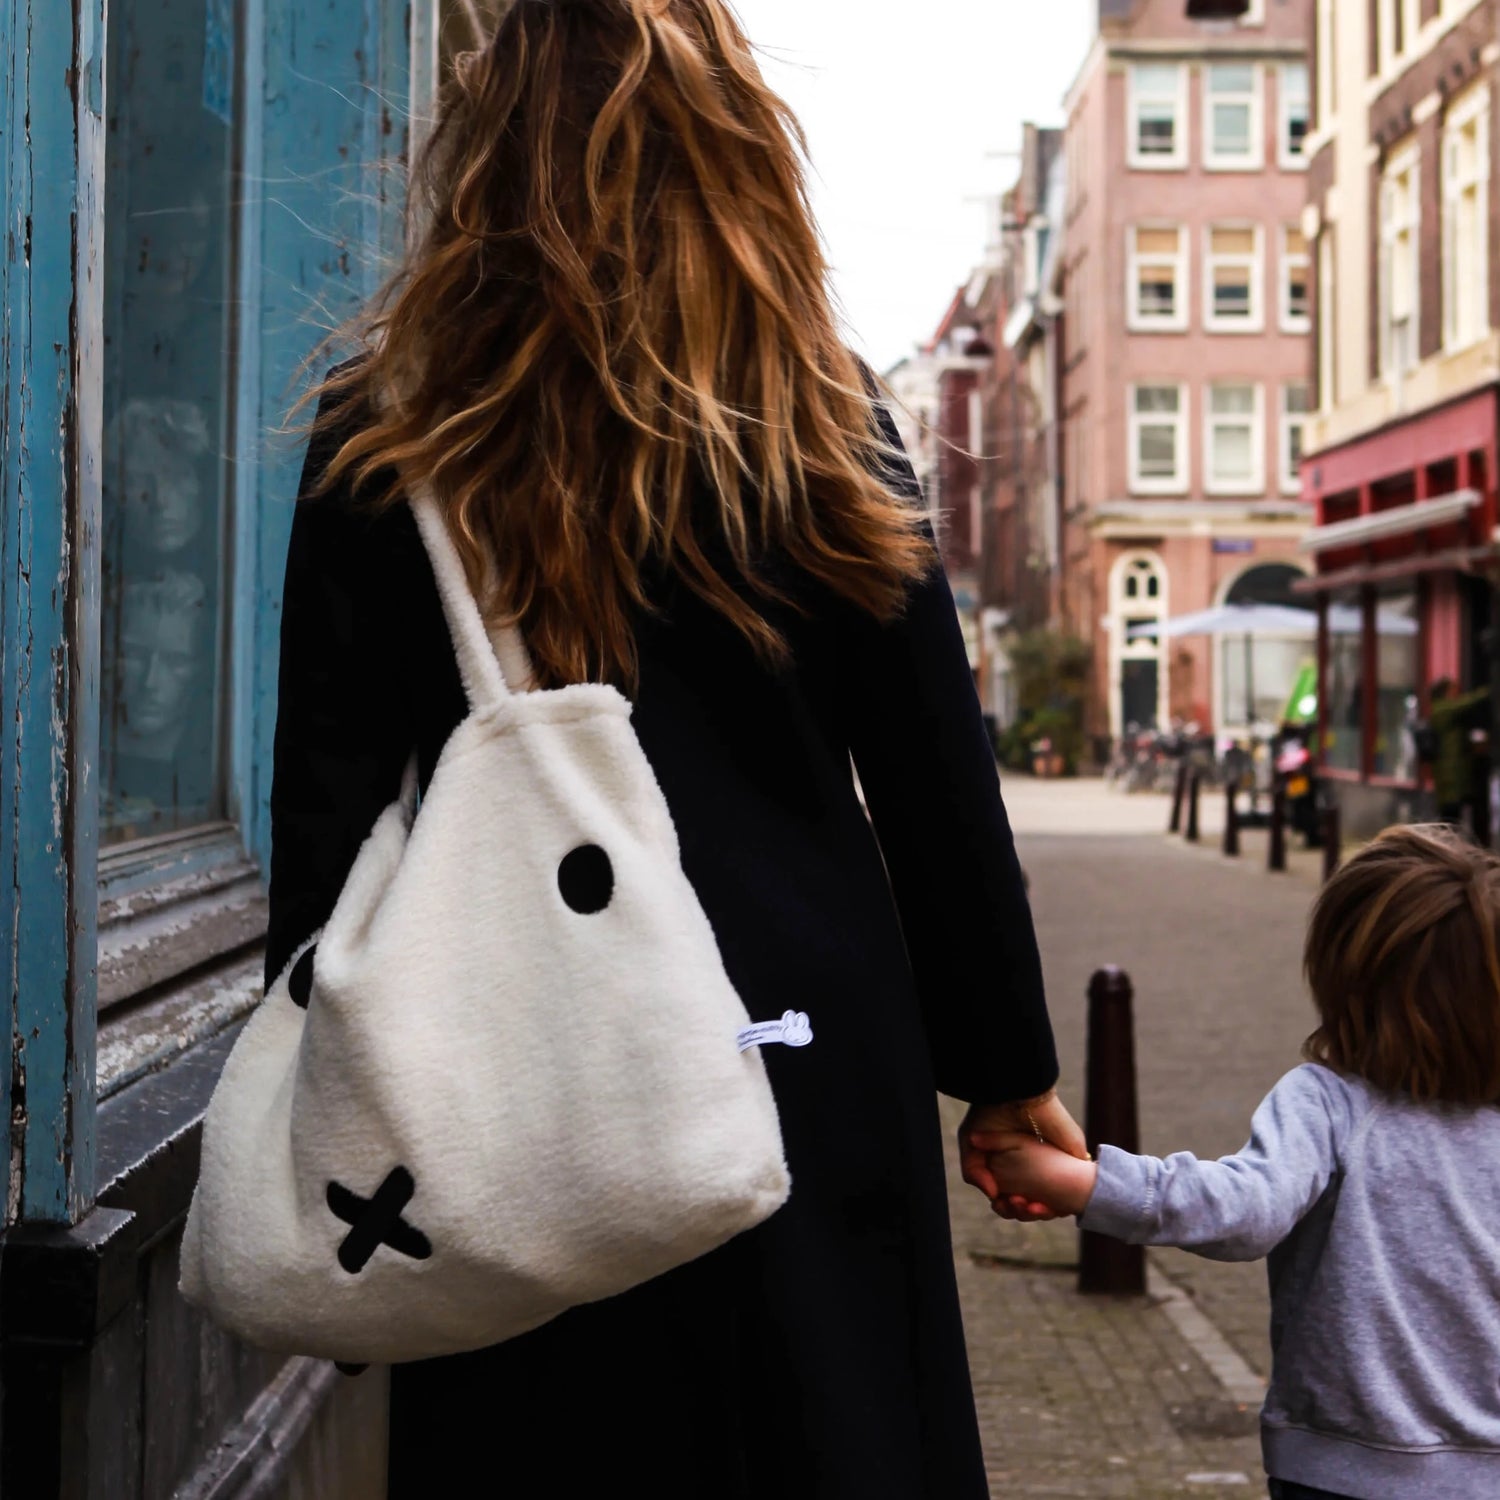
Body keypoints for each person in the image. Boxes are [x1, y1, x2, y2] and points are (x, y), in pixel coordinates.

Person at [268, 2, 1083, 1494]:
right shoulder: (819, 420)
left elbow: (326, 809)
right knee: (827, 1432)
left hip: (518, 1068)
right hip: (800, 1057)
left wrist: (343, 1070)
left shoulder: (381, 431)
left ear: (482, 158)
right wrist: (1007, 1071)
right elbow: (933, 782)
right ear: (734, 157)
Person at [974, 824, 1500, 1500]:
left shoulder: (1330, 1104)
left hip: (1340, 1475)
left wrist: (1084, 1182)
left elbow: (1245, 1211)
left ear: (1350, 982)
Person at [1427, 676, 1491, 832]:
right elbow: (1467, 703)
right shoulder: (1442, 709)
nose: (1458, 693)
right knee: (1449, 817)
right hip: (1450, 776)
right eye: (1454, 690)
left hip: (1454, 775)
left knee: (1454, 814)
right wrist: (1490, 689)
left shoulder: (1440, 710)